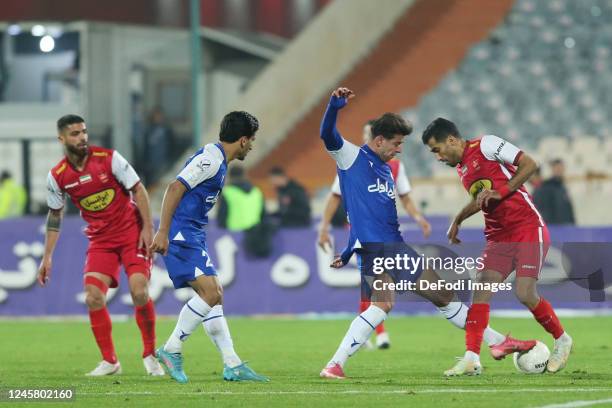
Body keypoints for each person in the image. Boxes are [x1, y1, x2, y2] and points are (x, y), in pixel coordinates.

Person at [318, 88, 532, 380]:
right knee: (443, 295)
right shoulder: (351, 157)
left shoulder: (384, 170)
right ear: (378, 140)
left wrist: (348, 251)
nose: (399, 149)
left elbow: (363, 215)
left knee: (382, 305)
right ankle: (498, 342)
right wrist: (334, 106)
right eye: (396, 143)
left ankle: (334, 364)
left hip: (375, 248)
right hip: (386, 248)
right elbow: (327, 134)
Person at [422, 118, 572, 376]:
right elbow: (482, 198)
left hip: (526, 228)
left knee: (525, 293)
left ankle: (562, 339)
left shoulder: (486, 145)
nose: (437, 156)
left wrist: (502, 192)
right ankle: (471, 359)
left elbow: (530, 165)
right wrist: (458, 218)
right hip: (498, 237)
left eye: (437, 149)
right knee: (480, 292)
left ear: (451, 140)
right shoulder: (462, 170)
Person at [37, 114, 164, 377]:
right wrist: (46, 257)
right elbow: (55, 215)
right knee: (93, 297)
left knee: (139, 292)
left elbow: (138, 190)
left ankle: (151, 355)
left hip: (131, 234)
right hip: (101, 241)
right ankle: (110, 361)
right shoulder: (58, 176)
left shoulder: (109, 159)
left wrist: (147, 228)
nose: (82, 137)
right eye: (74, 133)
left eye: (83, 131)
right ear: (62, 139)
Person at [150, 111, 268, 383]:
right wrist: (164, 231)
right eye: (251, 140)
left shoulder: (217, 159)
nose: (251, 145)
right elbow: (174, 188)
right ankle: (171, 349)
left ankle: (232, 363)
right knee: (211, 292)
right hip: (181, 234)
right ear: (241, 140)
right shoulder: (210, 160)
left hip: (193, 233)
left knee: (215, 297)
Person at [317, 120, 432, 350]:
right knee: (373, 287)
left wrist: (418, 217)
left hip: (387, 236)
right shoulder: (351, 162)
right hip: (364, 237)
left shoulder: (395, 167)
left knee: (378, 289)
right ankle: (375, 336)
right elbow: (335, 196)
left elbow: (405, 197)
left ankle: (367, 337)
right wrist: (324, 227)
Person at [217, 166, 264, 231]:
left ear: (230, 177)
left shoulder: (227, 192)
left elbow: (222, 215)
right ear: (244, 176)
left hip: (234, 234)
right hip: (254, 233)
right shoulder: (256, 191)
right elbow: (263, 214)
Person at [533, 159, 575, 225]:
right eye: (557, 168)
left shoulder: (562, 188)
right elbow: (541, 210)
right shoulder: (545, 187)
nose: (559, 170)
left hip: (566, 228)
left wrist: (572, 225)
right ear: (552, 169)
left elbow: (568, 210)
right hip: (552, 227)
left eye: (561, 168)